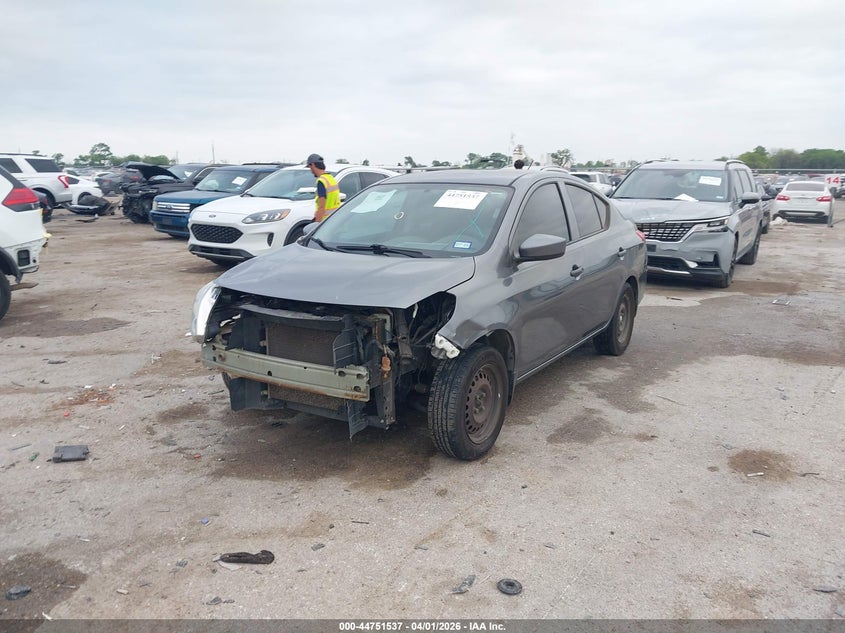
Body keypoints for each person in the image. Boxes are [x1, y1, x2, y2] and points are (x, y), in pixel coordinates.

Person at [306, 153, 341, 222]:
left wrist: (316, 225)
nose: (310, 170)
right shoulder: (331, 178)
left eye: (310, 167)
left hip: (325, 222)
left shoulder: (321, 181)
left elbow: (322, 206)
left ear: (312, 165)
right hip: (334, 219)